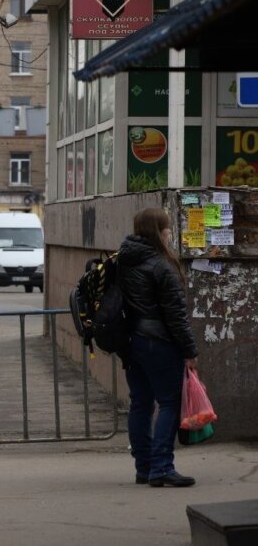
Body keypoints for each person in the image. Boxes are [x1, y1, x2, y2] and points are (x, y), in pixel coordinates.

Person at [118, 207, 199, 488]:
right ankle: (162, 467)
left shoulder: (124, 260)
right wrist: (189, 351)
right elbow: (175, 315)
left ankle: (145, 467)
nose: (169, 232)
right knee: (168, 403)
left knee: (140, 403)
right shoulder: (161, 265)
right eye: (166, 227)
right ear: (159, 231)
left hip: (131, 341)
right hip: (159, 342)